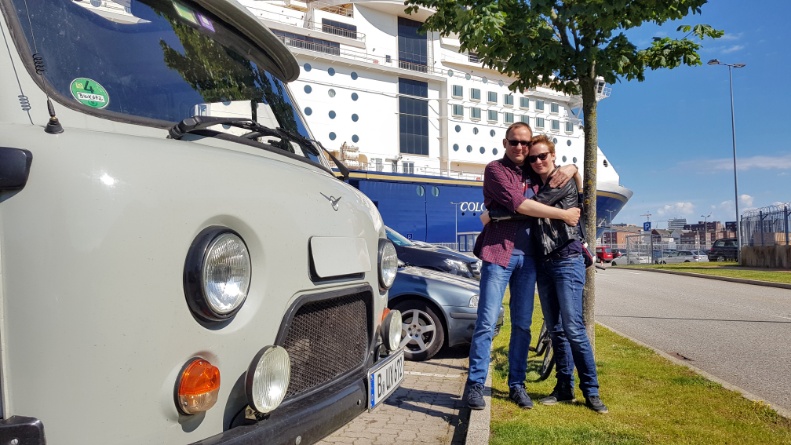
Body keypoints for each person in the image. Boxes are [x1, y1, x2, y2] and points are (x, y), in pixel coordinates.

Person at [466, 122, 580, 410]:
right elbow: (520, 204)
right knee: (487, 321)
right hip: (499, 253)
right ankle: (475, 384)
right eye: (514, 141)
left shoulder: (534, 171)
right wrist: (563, 215)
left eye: (525, 143)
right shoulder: (495, 170)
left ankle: (517, 385)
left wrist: (574, 168)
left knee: (522, 325)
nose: (520, 147)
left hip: (529, 258)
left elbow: (563, 185)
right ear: (505, 143)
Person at [527, 134, 608, 414]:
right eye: (533, 158)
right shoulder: (536, 181)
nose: (538, 161)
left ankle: (592, 391)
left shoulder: (560, 181)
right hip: (544, 263)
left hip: (566, 259)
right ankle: (564, 388)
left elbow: (532, 206)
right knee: (556, 330)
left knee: (573, 328)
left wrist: (573, 168)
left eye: (542, 155)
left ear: (553, 155)